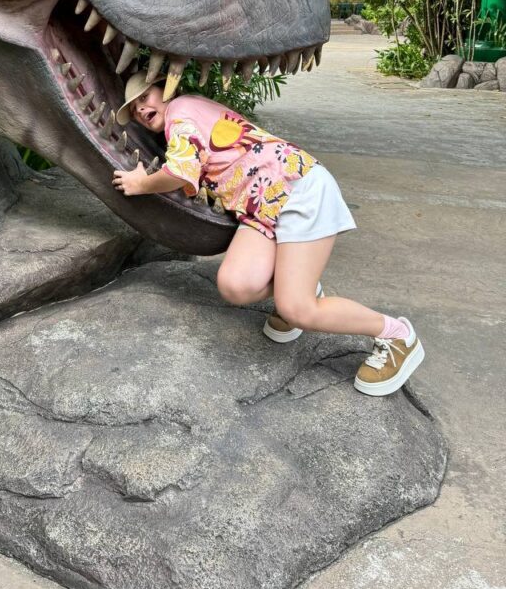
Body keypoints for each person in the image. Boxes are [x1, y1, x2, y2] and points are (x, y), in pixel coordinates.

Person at [112, 70, 424, 396]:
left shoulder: (180, 113)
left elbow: (180, 170)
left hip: (296, 191)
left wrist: (140, 184)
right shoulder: (191, 111)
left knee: (296, 310)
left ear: (165, 89)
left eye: (144, 98)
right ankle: (300, 285)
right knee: (236, 285)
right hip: (263, 208)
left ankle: (396, 334)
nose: (140, 110)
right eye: (133, 110)